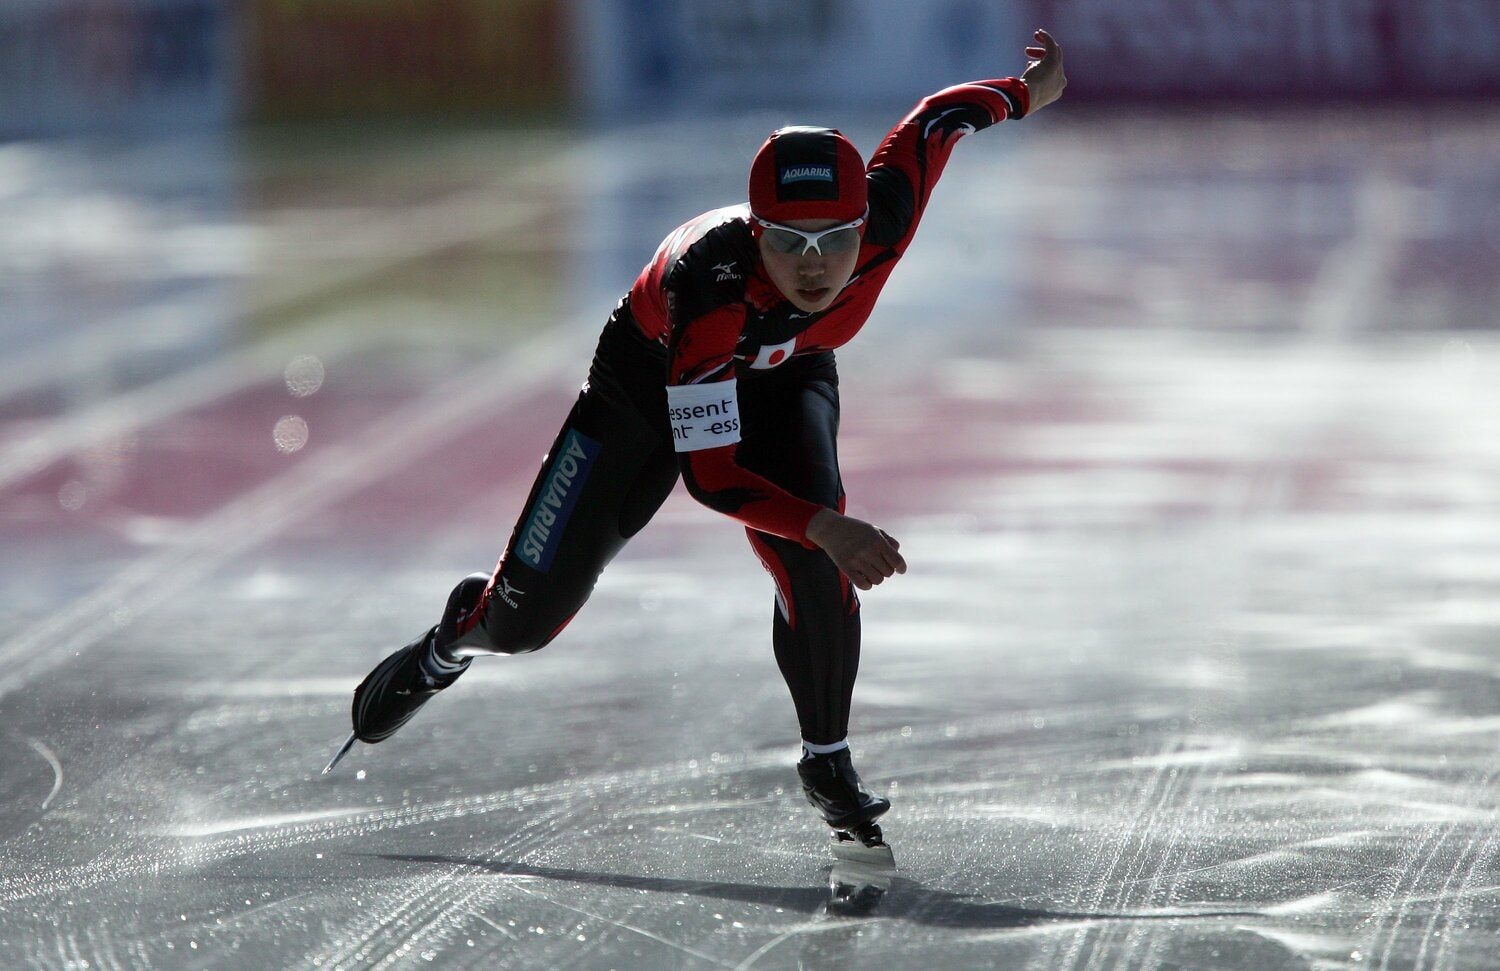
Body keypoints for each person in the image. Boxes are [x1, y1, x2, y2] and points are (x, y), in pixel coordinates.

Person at [332, 30, 1066, 847]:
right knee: (527, 621)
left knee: (813, 560)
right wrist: (826, 521)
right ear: (756, 234)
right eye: (789, 242)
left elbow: (937, 121)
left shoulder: (889, 213)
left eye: (836, 241)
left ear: (870, 222)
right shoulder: (710, 288)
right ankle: (452, 641)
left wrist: (1029, 90)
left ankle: (827, 756)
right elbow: (712, 473)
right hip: (647, 387)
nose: (815, 267)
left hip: (789, 374)